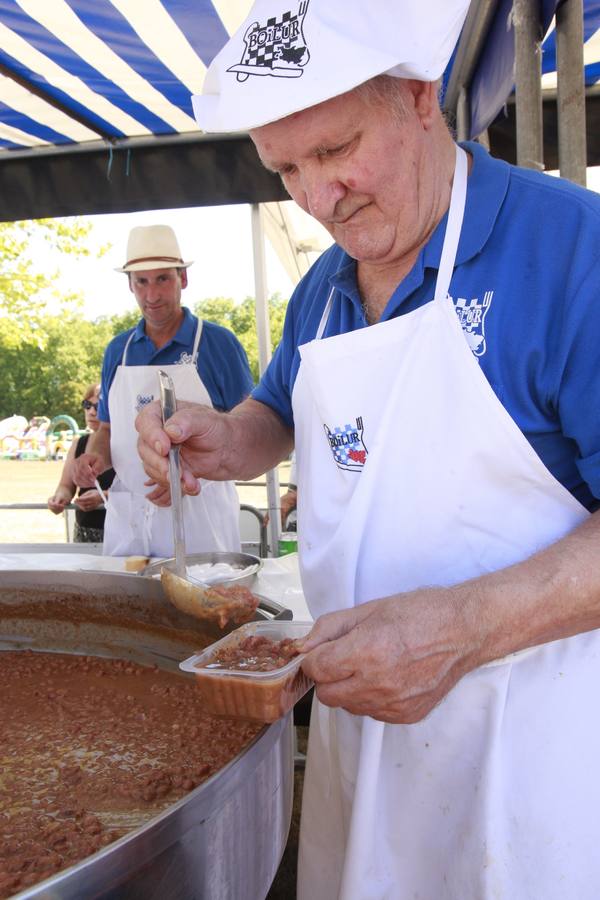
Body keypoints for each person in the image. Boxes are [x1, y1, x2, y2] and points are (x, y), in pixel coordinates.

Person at [135, 2, 600, 897]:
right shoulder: (324, 282)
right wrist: (228, 438)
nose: (316, 198)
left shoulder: (572, 252)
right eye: (286, 169)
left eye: (337, 150)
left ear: (421, 99)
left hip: (542, 755)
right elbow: (283, 407)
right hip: (362, 734)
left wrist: (465, 627)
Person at [73, 224, 254, 558]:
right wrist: (95, 456)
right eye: (141, 281)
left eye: (162, 279)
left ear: (182, 279)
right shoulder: (119, 350)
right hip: (130, 513)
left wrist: (188, 474)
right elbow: (109, 428)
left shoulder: (218, 344)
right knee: (126, 602)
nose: (152, 295)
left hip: (200, 509)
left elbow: (248, 431)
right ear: (130, 284)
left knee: (205, 601)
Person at [48, 384, 115, 543]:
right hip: (84, 533)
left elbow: (141, 493)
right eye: (87, 405)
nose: (91, 412)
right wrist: (59, 498)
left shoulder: (129, 444)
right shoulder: (79, 444)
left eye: (98, 406)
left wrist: (103, 496)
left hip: (119, 534)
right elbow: (66, 485)